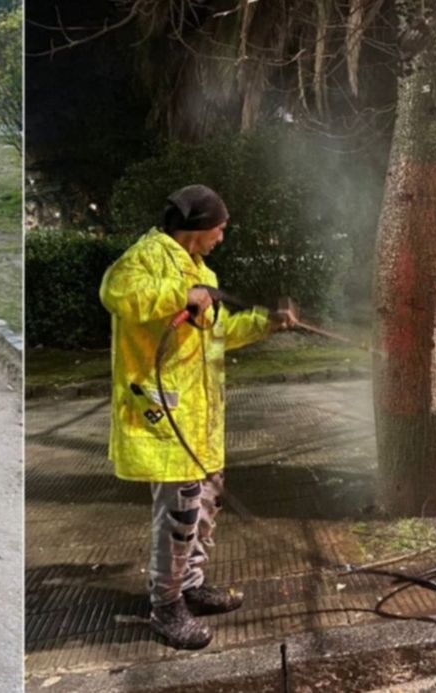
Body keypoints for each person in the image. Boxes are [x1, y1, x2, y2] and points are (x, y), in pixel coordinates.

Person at [97, 184, 298, 650]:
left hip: (200, 424)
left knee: (204, 510)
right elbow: (116, 292)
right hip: (166, 422)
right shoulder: (147, 257)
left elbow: (217, 334)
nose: (222, 238)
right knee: (179, 516)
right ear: (198, 226)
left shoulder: (200, 269)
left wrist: (268, 320)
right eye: (220, 229)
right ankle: (166, 608)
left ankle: (190, 586)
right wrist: (180, 294)